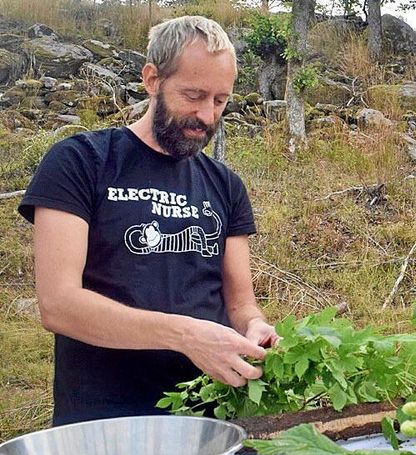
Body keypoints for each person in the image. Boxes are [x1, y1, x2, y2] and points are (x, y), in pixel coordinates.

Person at [17, 16, 277, 426]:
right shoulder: (82, 162)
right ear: (152, 79)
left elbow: (240, 302)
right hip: (105, 422)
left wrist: (255, 327)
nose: (206, 116)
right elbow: (59, 305)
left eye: (220, 100)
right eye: (193, 95)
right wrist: (188, 336)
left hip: (209, 418)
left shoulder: (225, 185)